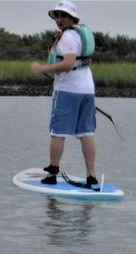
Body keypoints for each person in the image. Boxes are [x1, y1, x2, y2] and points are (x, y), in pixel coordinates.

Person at [30, 0, 98, 187]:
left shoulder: (68, 37)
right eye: (57, 15)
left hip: (68, 91)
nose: (60, 19)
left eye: (64, 16)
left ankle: (52, 173)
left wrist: (40, 68)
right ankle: (91, 176)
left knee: (58, 132)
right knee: (87, 132)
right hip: (87, 90)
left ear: (72, 18)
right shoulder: (80, 33)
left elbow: (68, 64)